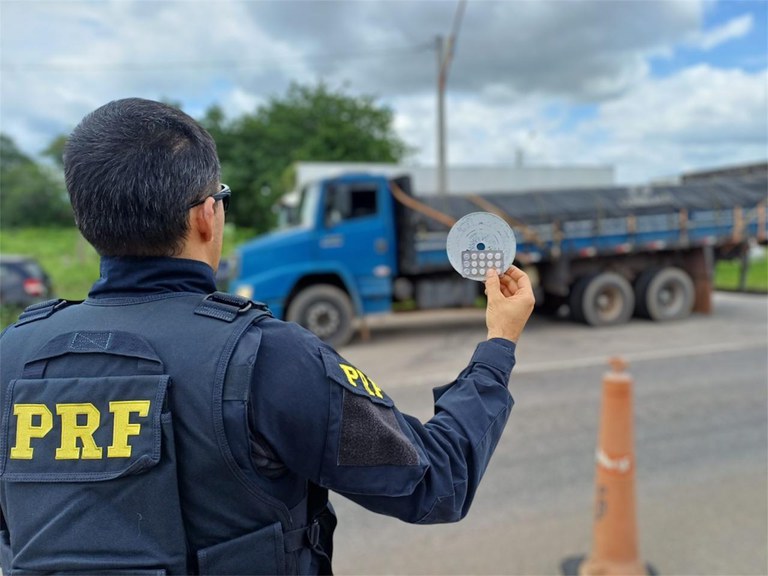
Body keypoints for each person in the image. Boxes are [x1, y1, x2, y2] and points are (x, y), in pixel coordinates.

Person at [0, 98, 535, 575]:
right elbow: (437, 480)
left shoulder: (11, 357)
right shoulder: (268, 358)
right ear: (208, 215)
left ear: (86, 222)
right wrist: (497, 346)